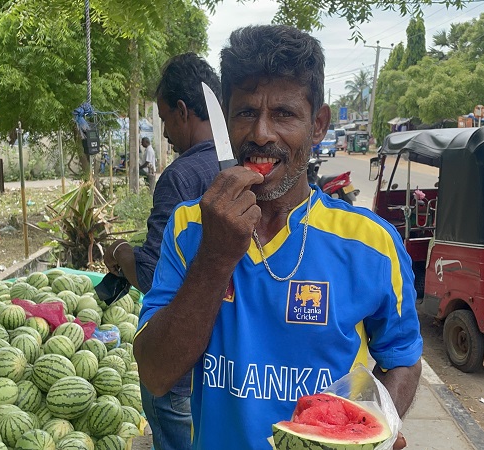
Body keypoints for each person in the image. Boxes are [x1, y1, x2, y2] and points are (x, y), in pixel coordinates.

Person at [134, 25, 422, 450]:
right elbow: (157, 375)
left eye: (284, 114)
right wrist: (214, 256)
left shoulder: (370, 243)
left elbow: (402, 360)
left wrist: (380, 422)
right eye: (246, 112)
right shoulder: (189, 227)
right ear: (227, 123)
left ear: (318, 124)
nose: (262, 134)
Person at [102, 52, 222, 450]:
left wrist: (120, 254)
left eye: (166, 118)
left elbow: (153, 277)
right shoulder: (240, 165)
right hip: (228, 360)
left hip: (178, 360)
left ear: (184, 110)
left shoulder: (180, 176)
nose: (166, 132)